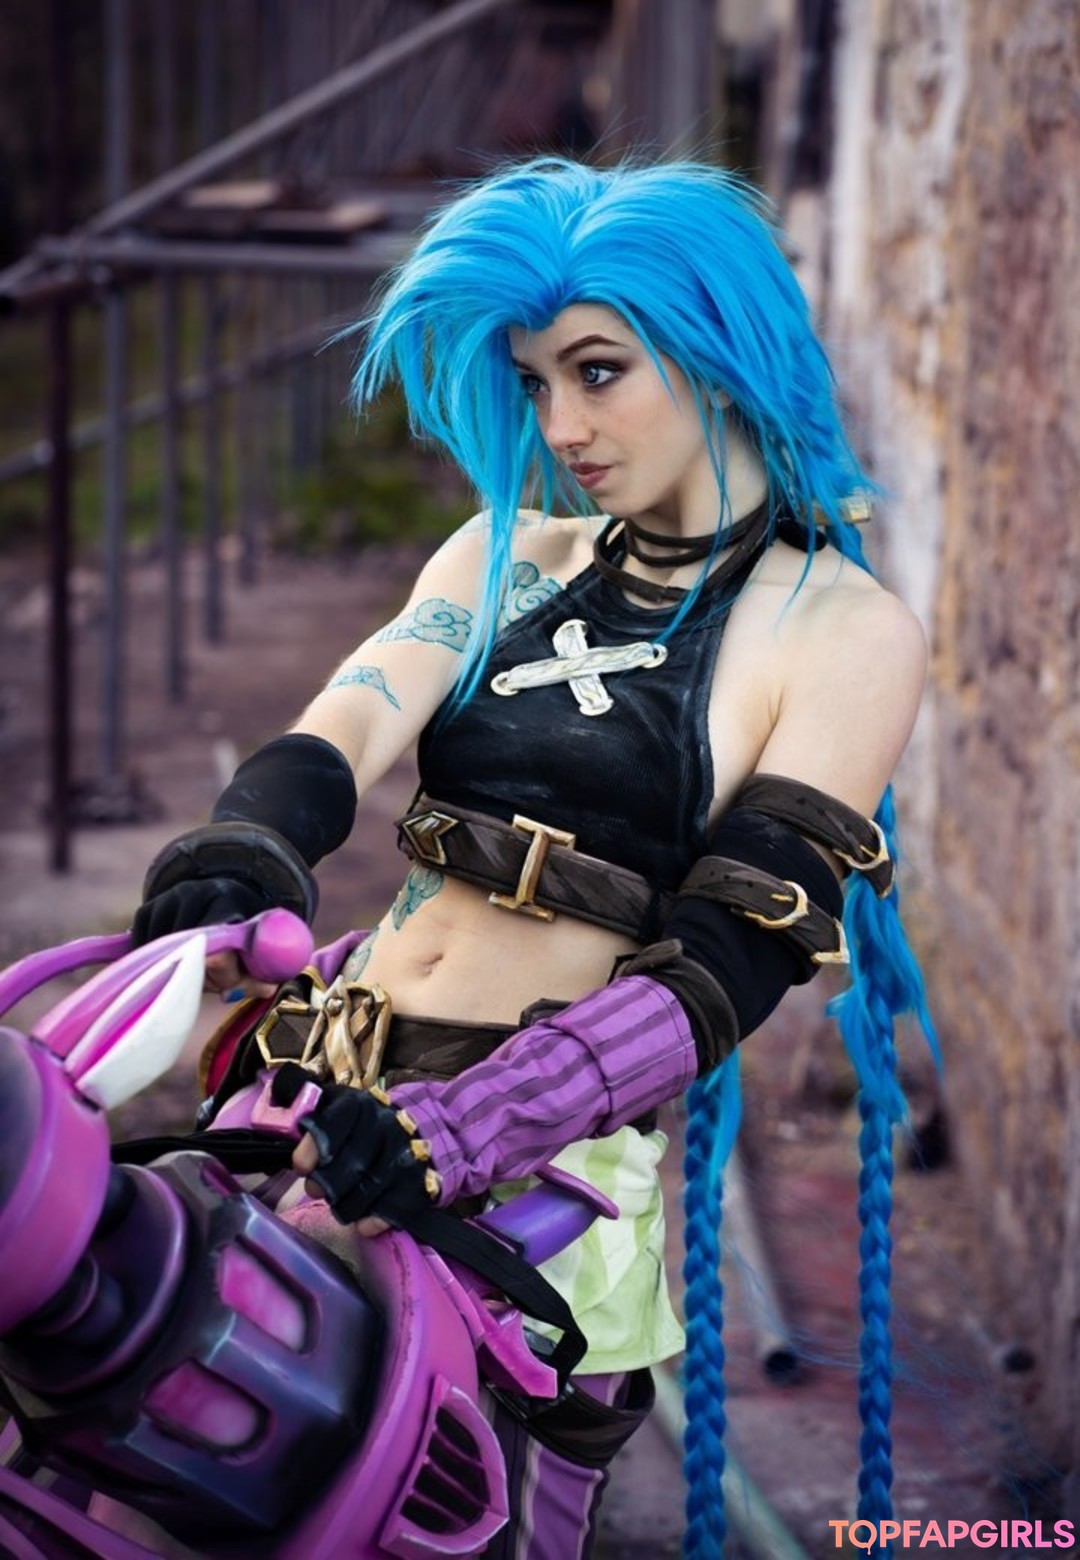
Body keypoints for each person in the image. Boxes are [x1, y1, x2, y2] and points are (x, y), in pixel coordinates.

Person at [134, 156, 936, 1558]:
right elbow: (351, 720)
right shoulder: (505, 555)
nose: (562, 426)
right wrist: (246, 845)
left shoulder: (842, 631)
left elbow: (726, 964)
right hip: (314, 1084)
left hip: (530, 1179)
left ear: (714, 349)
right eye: (535, 383)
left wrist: (464, 1135)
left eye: (598, 371)